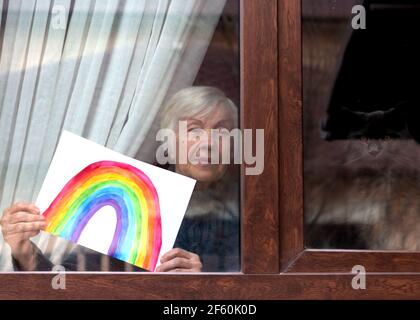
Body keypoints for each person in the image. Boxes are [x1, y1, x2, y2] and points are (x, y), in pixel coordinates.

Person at [0, 86, 239, 272]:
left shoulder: (252, 213)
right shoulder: (136, 200)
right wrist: (24, 252)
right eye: (193, 130)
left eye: (221, 132)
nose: (208, 143)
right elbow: (74, 285)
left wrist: (207, 282)